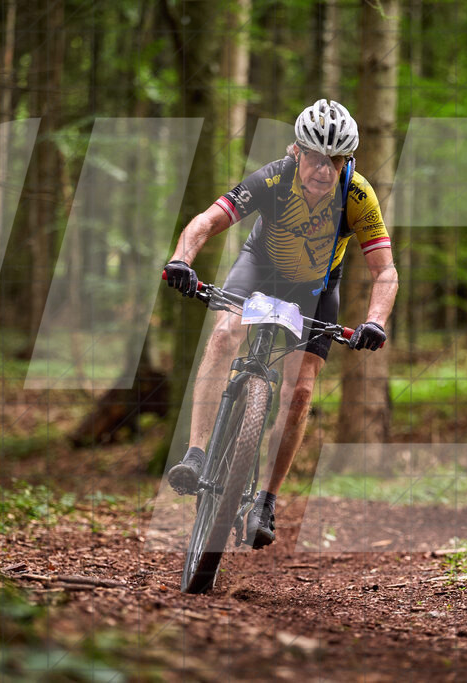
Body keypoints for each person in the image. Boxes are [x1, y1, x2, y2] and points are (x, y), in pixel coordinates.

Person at [163, 99, 398, 548]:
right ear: (296, 151)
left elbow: (384, 271)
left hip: (315, 289)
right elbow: (208, 220)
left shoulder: (358, 197)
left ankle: (266, 500)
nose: (324, 170)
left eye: (336, 160)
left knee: (302, 389)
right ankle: (196, 454)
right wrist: (181, 259)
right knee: (225, 334)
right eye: (314, 156)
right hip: (260, 269)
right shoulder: (272, 178)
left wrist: (375, 321)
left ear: (348, 160)